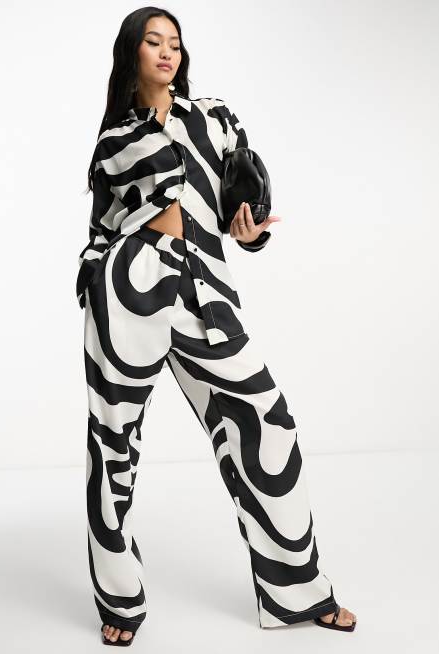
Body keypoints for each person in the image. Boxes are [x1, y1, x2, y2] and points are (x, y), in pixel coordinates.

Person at [76, 7, 357, 646]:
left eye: (175, 43)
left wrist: (250, 231)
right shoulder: (114, 139)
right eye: (153, 42)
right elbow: (101, 227)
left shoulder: (215, 118)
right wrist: (94, 281)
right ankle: (119, 602)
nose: (166, 52)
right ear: (131, 52)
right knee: (112, 445)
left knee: (268, 420)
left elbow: (244, 202)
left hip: (205, 294)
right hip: (128, 292)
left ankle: (299, 594)